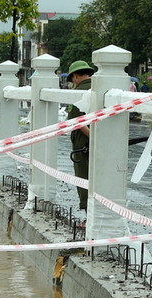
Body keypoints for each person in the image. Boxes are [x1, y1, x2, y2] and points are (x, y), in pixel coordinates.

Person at [66, 60, 94, 210]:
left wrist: (93, 138)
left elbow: (76, 121)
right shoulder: (101, 88)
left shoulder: (77, 92)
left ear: (75, 76)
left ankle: (88, 215)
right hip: (104, 141)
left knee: (83, 177)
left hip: (84, 143)